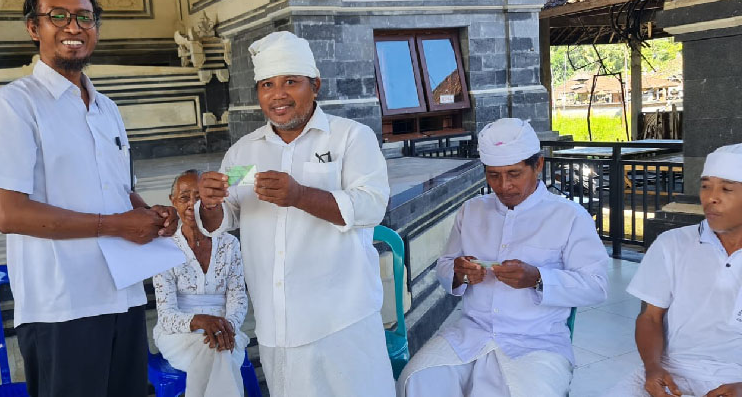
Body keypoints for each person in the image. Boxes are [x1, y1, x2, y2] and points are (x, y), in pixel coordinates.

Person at [0, 0, 178, 397]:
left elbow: (121, 191)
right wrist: (117, 225)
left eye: (85, 17)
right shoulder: (12, 104)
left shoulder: (106, 108)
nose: (74, 27)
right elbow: (10, 214)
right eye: (58, 16)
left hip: (122, 294)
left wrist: (150, 214)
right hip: (62, 305)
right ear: (34, 27)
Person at [195, 31, 395, 396]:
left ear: (315, 85)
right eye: (267, 85)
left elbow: (371, 206)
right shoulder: (244, 154)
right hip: (278, 323)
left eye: (291, 82)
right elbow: (226, 216)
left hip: (343, 318)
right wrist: (209, 203)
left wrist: (301, 195)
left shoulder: (349, 138)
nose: (278, 94)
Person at [397, 118, 610, 397]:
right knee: (415, 380)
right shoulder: (472, 211)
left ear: (538, 165)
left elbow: (596, 286)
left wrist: (539, 279)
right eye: (494, 175)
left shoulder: (569, 216)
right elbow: (446, 266)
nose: (504, 185)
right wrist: (459, 273)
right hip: (471, 332)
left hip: (536, 341)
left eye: (514, 173)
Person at [605, 143, 742, 397]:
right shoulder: (673, 244)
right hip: (673, 370)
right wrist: (652, 367)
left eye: (726, 189)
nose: (711, 197)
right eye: (705, 186)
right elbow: (650, 318)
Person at [153, 169, 249, 397]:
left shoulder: (230, 244)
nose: (191, 205)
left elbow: (238, 298)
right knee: (215, 352)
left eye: (199, 197)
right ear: (173, 201)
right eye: (184, 197)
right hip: (179, 334)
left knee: (219, 348)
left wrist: (227, 327)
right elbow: (166, 315)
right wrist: (200, 321)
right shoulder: (163, 248)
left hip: (226, 329)